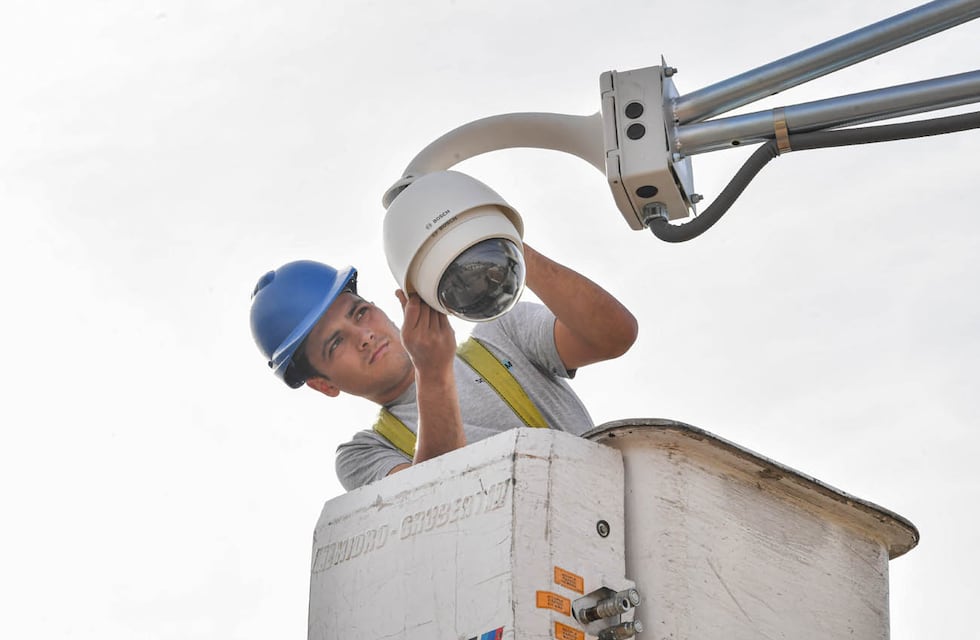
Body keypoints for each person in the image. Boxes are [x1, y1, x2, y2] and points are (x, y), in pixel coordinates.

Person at [250, 244, 637, 491]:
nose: (363, 336)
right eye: (336, 344)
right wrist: (431, 374)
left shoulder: (503, 332)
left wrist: (508, 249)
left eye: (360, 313)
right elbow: (438, 506)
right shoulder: (364, 454)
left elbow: (614, 335)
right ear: (323, 384)